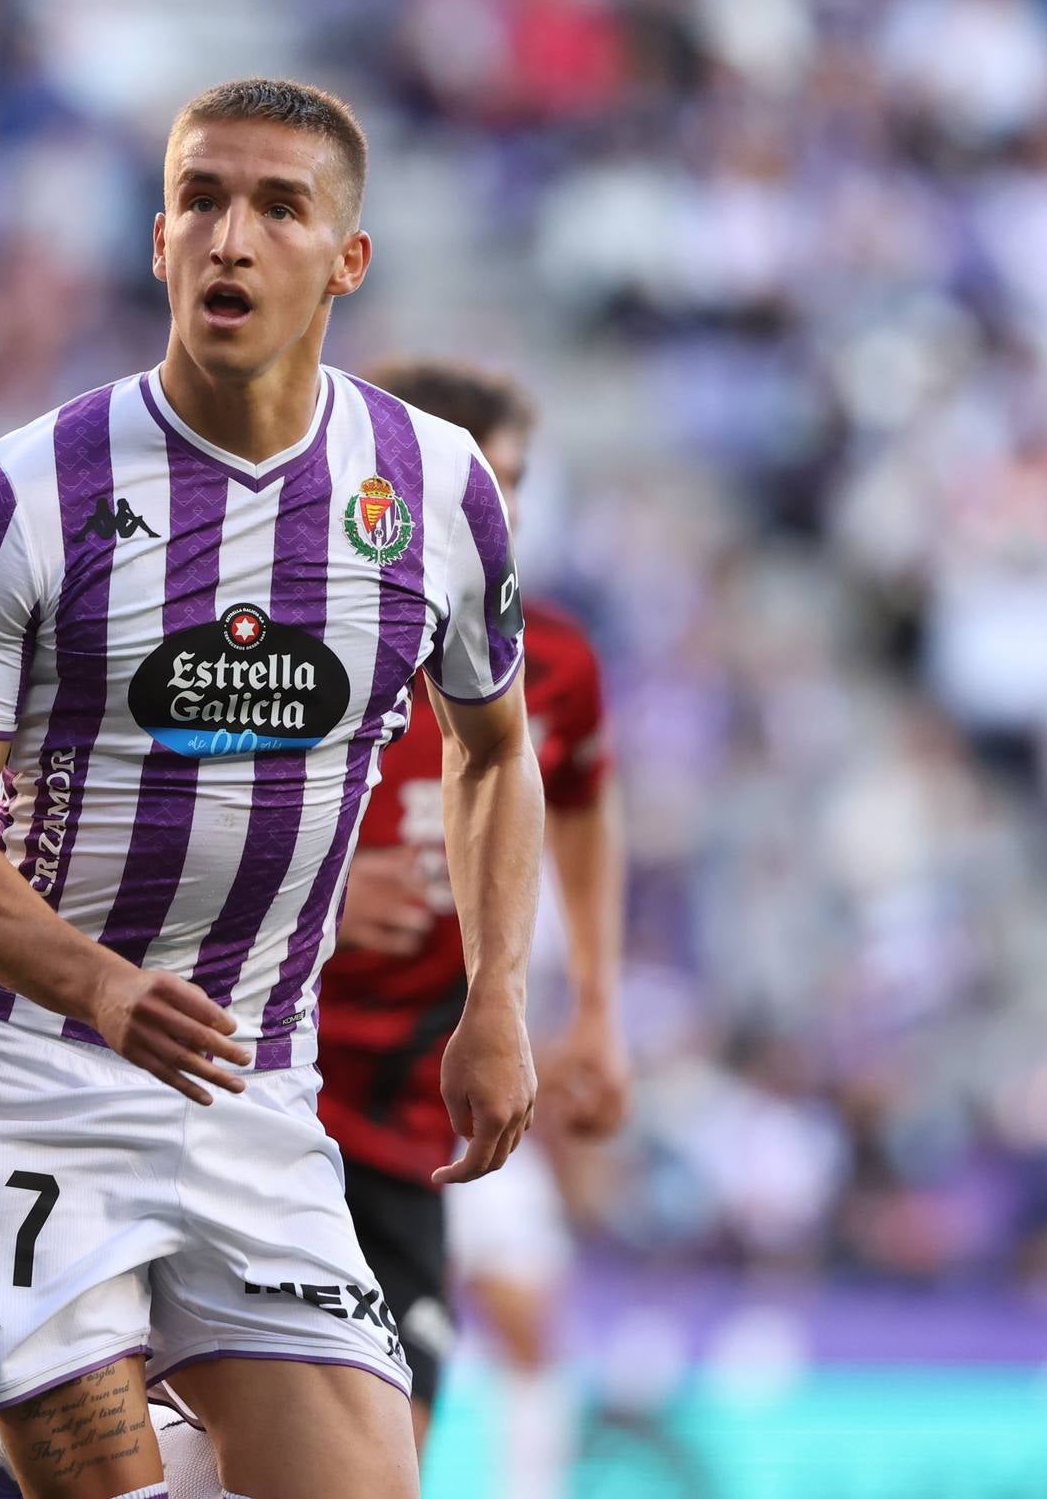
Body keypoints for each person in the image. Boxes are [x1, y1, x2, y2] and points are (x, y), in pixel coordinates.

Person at [0, 77, 543, 1499]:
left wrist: (496, 996)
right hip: (30, 1078)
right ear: (158, 237)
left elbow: (496, 747)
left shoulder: (430, 491)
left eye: (276, 208)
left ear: (344, 261)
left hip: (251, 1088)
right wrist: (100, 987)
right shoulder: (30, 492)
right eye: (200, 200)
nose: (229, 239)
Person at [316, 361, 629, 1493]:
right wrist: (314, 892)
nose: (493, 510)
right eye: (470, 480)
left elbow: (587, 814)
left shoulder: (548, 666)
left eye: (512, 483)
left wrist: (593, 1007)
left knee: (402, 1438)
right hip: (257, 1090)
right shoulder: (301, 644)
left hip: (426, 1103)